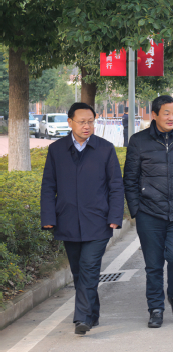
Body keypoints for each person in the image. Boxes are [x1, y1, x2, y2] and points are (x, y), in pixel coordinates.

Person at [41, 103, 124, 335]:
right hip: (68, 220)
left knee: (89, 267)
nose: (87, 126)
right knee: (79, 272)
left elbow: (116, 186)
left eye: (90, 121)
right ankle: (92, 313)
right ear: (70, 122)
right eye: (82, 122)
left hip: (98, 221)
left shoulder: (105, 149)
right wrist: (48, 216)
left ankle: (82, 318)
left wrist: (115, 216)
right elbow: (48, 186)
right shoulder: (56, 150)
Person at [123, 95, 173, 328]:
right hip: (149, 212)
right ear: (155, 114)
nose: (171, 117)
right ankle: (156, 308)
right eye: (166, 113)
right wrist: (136, 210)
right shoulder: (138, 141)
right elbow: (130, 179)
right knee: (153, 264)